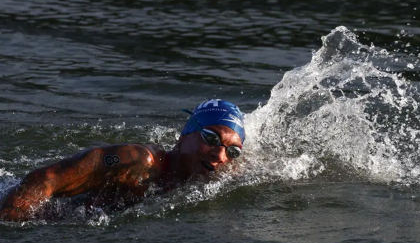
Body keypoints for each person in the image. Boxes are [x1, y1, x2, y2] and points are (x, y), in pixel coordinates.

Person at [0, 99, 245, 221]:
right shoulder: (139, 161)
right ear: (184, 135)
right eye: (211, 138)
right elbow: (46, 179)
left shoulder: (217, 176)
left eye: (232, 151)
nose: (220, 155)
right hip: (46, 215)